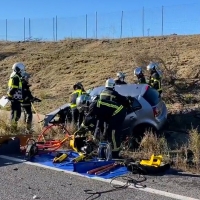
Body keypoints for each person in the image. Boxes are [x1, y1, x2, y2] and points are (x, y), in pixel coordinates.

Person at [7, 62, 26, 131]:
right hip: (15, 99)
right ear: (18, 69)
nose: (23, 71)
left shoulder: (16, 77)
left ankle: (14, 128)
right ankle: (13, 130)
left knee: (17, 114)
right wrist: (9, 96)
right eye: (22, 70)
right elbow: (14, 88)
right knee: (15, 115)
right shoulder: (16, 77)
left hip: (16, 99)